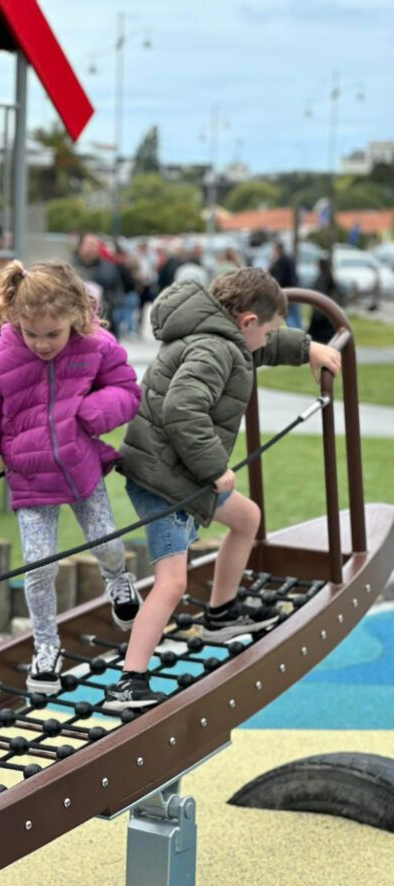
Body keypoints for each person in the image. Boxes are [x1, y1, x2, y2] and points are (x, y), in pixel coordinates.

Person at [104, 268, 342, 710]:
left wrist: (309, 347)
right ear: (247, 321)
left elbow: (265, 347)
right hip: (168, 483)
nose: (267, 340)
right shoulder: (215, 348)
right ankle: (129, 680)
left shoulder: (218, 331)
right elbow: (181, 408)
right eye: (267, 329)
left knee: (246, 517)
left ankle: (220, 613)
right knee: (172, 582)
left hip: (177, 473)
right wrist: (215, 467)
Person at [0, 260, 143, 695]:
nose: (41, 344)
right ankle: (46, 646)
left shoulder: (96, 345)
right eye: (30, 333)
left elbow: (128, 390)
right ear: (15, 317)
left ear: (75, 316)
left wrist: (93, 414)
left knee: (108, 541)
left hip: (82, 469)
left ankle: (119, 581)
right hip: (30, 479)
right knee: (39, 567)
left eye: (52, 334)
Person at [73, 233, 125, 334]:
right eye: (90, 245)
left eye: (96, 245)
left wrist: (110, 303)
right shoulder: (69, 267)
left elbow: (118, 289)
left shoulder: (108, 267)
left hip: (104, 321)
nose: (93, 248)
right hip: (76, 323)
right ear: (80, 246)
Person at [307, 256, 343, 343]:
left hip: (321, 315)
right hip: (328, 314)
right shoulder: (329, 276)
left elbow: (319, 293)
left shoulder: (322, 278)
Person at [268, 241, 302, 328]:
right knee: (295, 315)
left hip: (285, 291)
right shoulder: (289, 259)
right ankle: (299, 333)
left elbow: (277, 277)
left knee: (288, 316)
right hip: (294, 289)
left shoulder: (280, 261)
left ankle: (293, 332)